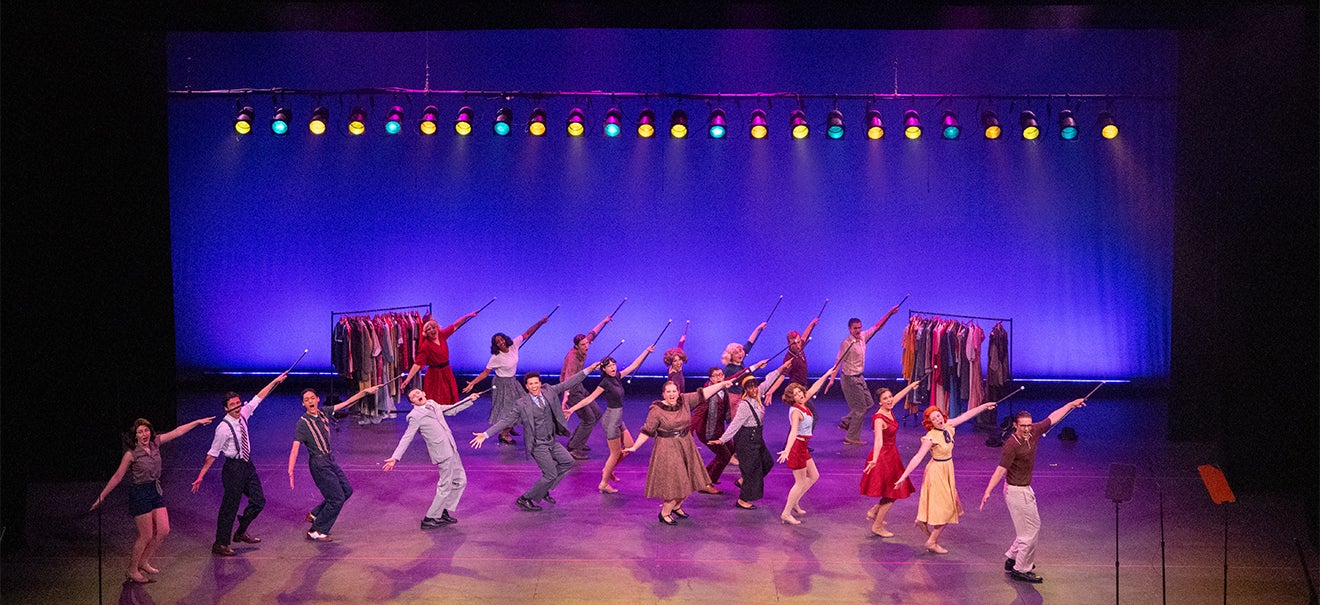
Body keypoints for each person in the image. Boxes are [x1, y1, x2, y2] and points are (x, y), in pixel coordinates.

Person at [91, 415, 215, 583]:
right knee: (146, 536)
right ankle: (132, 570)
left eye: (146, 430)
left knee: (164, 530)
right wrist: (102, 495)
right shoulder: (131, 454)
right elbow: (117, 476)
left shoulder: (155, 442)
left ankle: (143, 561)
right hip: (140, 493)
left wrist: (197, 422)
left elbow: (177, 432)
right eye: (140, 432)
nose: (144, 434)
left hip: (155, 490)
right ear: (135, 436)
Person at [979, 398, 1087, 583]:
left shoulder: (1034, 431)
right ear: (1015, 425)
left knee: (1031, 528)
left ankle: (1012, 558)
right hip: (1016, 492)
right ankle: (1021, 568)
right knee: (1028, 533)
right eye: (1022, 426)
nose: (1026, 428)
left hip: (1025, 489)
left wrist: (1070, 405)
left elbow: (1053, 417)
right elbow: (1001, 469)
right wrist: (988, 491)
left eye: (1028, 425)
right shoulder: (1011, 445)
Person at [470, 362, 603, 511]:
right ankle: (525, 498)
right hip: (537, 444)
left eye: (536, 383)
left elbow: (568, 383)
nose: (534, 386)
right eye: (530, 384)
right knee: (550, 474)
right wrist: (486, 434)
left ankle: (543, 489)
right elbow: (506, 420)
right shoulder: (522, 404)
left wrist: (588, 370)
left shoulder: (549, 392)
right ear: (526, 387)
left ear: (540, 383)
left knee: (568, 461)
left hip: (551, 440)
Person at [191, 372, 288, 557]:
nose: (237, 407)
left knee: (259, 501)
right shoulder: (223, 428)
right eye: (233, 405)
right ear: (226, 408)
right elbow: (212, 454)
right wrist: (201, 476)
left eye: (238, 403)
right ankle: (220, 543)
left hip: (247, 465)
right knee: (230, 507)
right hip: (233, 469)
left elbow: (259, 397)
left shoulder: (244, 413)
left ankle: (241, 531)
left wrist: (275, 381)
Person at [624, 375, 738, 525]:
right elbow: (647, 431)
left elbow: (704, 393)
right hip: (667, 448)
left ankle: (677, 507)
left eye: (674, 391)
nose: (672, 394)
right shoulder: (656, 410)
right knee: (675, 482)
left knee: (691, 480)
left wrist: (722, 384)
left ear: (678, 392)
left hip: (686, 444)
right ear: (663, 394)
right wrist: (634, 447)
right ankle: (665, 513)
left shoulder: (684, 400)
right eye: (668, 392)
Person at [893, 399, 999, 554]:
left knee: (948, 505)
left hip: (947, 469)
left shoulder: (948, 426)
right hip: (936, 472)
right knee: (948, 508)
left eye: (938, 416)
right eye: (934, 419)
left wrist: (984, 406)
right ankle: (931, 541)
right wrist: (903, 477)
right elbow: (917, 457)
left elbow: (966, 416)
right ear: (930, 423)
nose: (938, 420)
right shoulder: (930, 437)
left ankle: (922, 521)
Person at [383, 388, 487, 530]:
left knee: (460, 481)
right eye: (413, 396)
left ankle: (442, 510)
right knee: (445, 485)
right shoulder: (414, 416)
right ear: (412, 402)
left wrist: (469, 400)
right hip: (441, 452)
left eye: (418, 393)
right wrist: (395, 457)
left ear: (424, 393)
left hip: (451, 448)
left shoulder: (433, 404)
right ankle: (430, 518)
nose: (417, 395)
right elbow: (407, 437)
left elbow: (452, 409)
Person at [287, 385, 380, 541]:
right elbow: (295, 448)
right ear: (303, 404)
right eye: (306, 400)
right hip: (319, 464)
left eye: (312, 398)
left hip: (329, 460)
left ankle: (315, 514)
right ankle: (316, 531)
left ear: (317, 399)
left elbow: (346, 403)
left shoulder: (324, 412)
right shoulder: (302, 424)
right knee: (336, 499)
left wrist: (365, 392)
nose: (310, 401)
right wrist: (290, 470)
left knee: (346, 491)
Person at [565, 346, 654, 494]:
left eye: (614, 365)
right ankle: (604, 483)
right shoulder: (605, 383)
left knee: (630, 446)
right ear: (604, 369)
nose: (612, 367)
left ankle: (608, 469)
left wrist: (646, 352)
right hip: (611, 420)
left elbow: (634, 366)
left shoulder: (617, 377)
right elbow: (589, 399)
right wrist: (572, 409)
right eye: (609, 366)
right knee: (615, 453)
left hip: (618, 418)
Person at [710, 360, 788, 511]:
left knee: (767, 463)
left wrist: (782, 368)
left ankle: (743, 480)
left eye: (754, 386)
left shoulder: (759, 393)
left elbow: (769, 379)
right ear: (745, 389)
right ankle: (742, 500)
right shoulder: (744, 405)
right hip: (746, 439)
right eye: (749, 387)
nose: (753, 389)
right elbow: (735, 424)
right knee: (751, 470)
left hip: (757, 437)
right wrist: (722, 440)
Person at [462, 315, 550, 445]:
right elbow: (485, 373)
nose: (501, 342)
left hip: (512, 381)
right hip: (502, 384)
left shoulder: (514, 345)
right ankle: (504, 434)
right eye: (497, 342)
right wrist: (473, 383)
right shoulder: (496, 357)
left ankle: (510, 427)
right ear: (495, 345)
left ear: (505, 339)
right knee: (510, 410)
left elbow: (527, 333)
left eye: (501, 339)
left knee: (523, 405)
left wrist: (540, 322)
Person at [775, 366, 839, 525]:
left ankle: (795, 501)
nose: (799, 395)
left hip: (803, 447)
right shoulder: (796, 411)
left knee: (814, 476)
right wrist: (787, 450)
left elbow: (815, 386)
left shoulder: (804, 403)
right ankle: (786, 513)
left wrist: (827, 373)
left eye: (800, 392)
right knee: (800, 482)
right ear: (792, 399)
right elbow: (793, 432)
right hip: (797, 447)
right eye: (795, 394)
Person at [859, 380, 922, 538]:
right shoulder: (879, 418)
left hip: (892, 455)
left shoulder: (889, 408)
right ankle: (877, 526)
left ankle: (875, 511)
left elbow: (898, 396)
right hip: (883, 457)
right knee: (894, 491)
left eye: (890, 397)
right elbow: (878, 441)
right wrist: (875, 459)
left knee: (891, 489)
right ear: (879, 402)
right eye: (885, 398)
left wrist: (910, 386)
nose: (889, 400)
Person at [831, 305, 901, 445]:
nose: (858, 330)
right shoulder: (846, 343)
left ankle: (846, 421)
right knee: (859, 409)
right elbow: (838, 361)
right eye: (855, 328)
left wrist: (890, 313)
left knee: (869, 403)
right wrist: (832, 379)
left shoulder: (863, 337)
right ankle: (851, 437)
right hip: (850, 378)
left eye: (859, 327)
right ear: (849, 329)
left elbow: (877, 326)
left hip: (859, 377)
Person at [400, 307, 482, 406]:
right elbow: (417, 364)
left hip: (446, 371)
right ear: (426, 333)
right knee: (438, 400)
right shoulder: (425, 346)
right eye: (429, 329)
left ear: (437, 328)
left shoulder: (442, 335)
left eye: (433, 327)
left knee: (449, 398)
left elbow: (455, 325)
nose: (432, 330)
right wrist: (408, 379)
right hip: (435, 375)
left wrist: (468, 315)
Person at [562, 314, 613, 460]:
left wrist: (604, 321)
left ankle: (577, 440)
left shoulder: (585, 344)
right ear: (576, 346)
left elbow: (593, 333)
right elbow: (567, 380)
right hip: (571, 390)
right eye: (583, 345)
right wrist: (565, 399)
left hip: (579, 386)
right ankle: (574, 448)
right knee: (589, 418)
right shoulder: (572, 358)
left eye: (587, 344)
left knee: (596, 414)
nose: (587, 346)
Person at [782, 317, 819, 415]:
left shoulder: (800, 347)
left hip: (803, 386)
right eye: (794, 344)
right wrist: (771, 391)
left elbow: (805, 336)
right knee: (812, 415)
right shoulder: (789, 359)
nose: (798, 346)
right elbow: (781, 376)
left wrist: (812, 324)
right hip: (797, 390)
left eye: (798, 342)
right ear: (789, 344)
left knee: (804, 415)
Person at [722, 321, 767, 398]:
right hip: (733, 397)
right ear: (730, 356)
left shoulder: (739, 360)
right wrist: (758, 365)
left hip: (741, 394)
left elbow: (750, 343)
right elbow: (744, 374)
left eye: (741, 351)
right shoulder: (729, 369)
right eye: (736, 353)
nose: (741, 354)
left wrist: (758, 329)